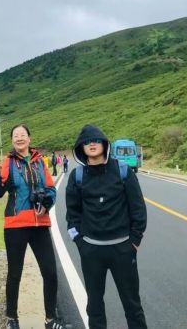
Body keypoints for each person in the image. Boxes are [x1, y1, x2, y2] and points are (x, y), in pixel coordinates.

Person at [0, 124, 72, 329]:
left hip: (40, 223)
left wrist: (46, 204)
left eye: (22, 135)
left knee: (50, 272)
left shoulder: (40, 162)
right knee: (14, 273)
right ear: (12, 141)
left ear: (29, 138)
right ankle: (12, 319)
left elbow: (51, 189)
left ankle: (50, 319)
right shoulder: (8, 162)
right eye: (15, 136)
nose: (19, 138)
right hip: (16, 224)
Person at [65, 124, 147, 329]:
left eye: (95, 140)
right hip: (91, 251)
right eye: (86, 142)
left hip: (123, 249)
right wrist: (80, 242)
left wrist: (135, 241)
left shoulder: (122, 171)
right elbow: (72, 215)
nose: (91, 144)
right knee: (94, 306)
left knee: (132, 305)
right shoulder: (77, 176)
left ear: (104, 144)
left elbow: (138, 208)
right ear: (81, 148)